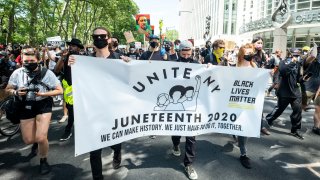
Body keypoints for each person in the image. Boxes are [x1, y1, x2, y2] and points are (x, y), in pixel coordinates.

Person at [68, 27, 130, 180]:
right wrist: (70, 66)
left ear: (109, 39)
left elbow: (131, 83)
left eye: (103, 36)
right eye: (96, 37)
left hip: (114, 111)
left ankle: (117, 150)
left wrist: (130, 66)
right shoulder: (84, 61)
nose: (99, 39)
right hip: (93, 112)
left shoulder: (119, 59)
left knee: (114, 141)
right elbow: (71, 82)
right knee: (94, 149)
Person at [5, 46, 63, 174]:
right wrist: (15, 91)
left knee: (41, 137)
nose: (29, 64)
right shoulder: (17, 73)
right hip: (25, 104)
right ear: (21, 61)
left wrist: (43, 95)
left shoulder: (47, 73)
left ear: (38, 60)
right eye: (26, 61)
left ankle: (43, 160)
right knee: (28, 140)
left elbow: (59, 90)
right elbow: (7, 89)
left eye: (32, 61)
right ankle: (36, 143)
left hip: (43, 104)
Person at [171, 40, 198, 180]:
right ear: (179, 52)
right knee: (176, 130)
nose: (186, 56)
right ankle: (175, 144)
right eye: (184, 53)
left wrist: (210, 67)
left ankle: (188, 164)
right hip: (176, 104)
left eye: (189, 54)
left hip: (191, 106)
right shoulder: (172, 63)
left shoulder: (197, 65)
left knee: (191, 136)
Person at [265, 48, 304, 140]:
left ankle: (295, 130)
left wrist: (304, 79)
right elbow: (284, 72)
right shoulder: (283, 62)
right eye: (295, 55)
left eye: (298, 55)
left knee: (298, 111)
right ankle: (268, 120)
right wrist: (293, 63)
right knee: (279, 109)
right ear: (290, 54)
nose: (297, 57)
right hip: (284, 91)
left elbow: (298, 78)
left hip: (295, 91)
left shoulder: (298, 64)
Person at [54, 38, 84, 141]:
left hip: (82, 89)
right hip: (70, 89)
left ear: (79, 48)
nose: (71, 47)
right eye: (70, 45)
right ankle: (68, 130)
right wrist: (62, 57)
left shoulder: (84, 58)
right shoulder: (65, 57)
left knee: (79, 110)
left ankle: (70, 130)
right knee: (71, 110)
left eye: (74, 45)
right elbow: (56, 70)